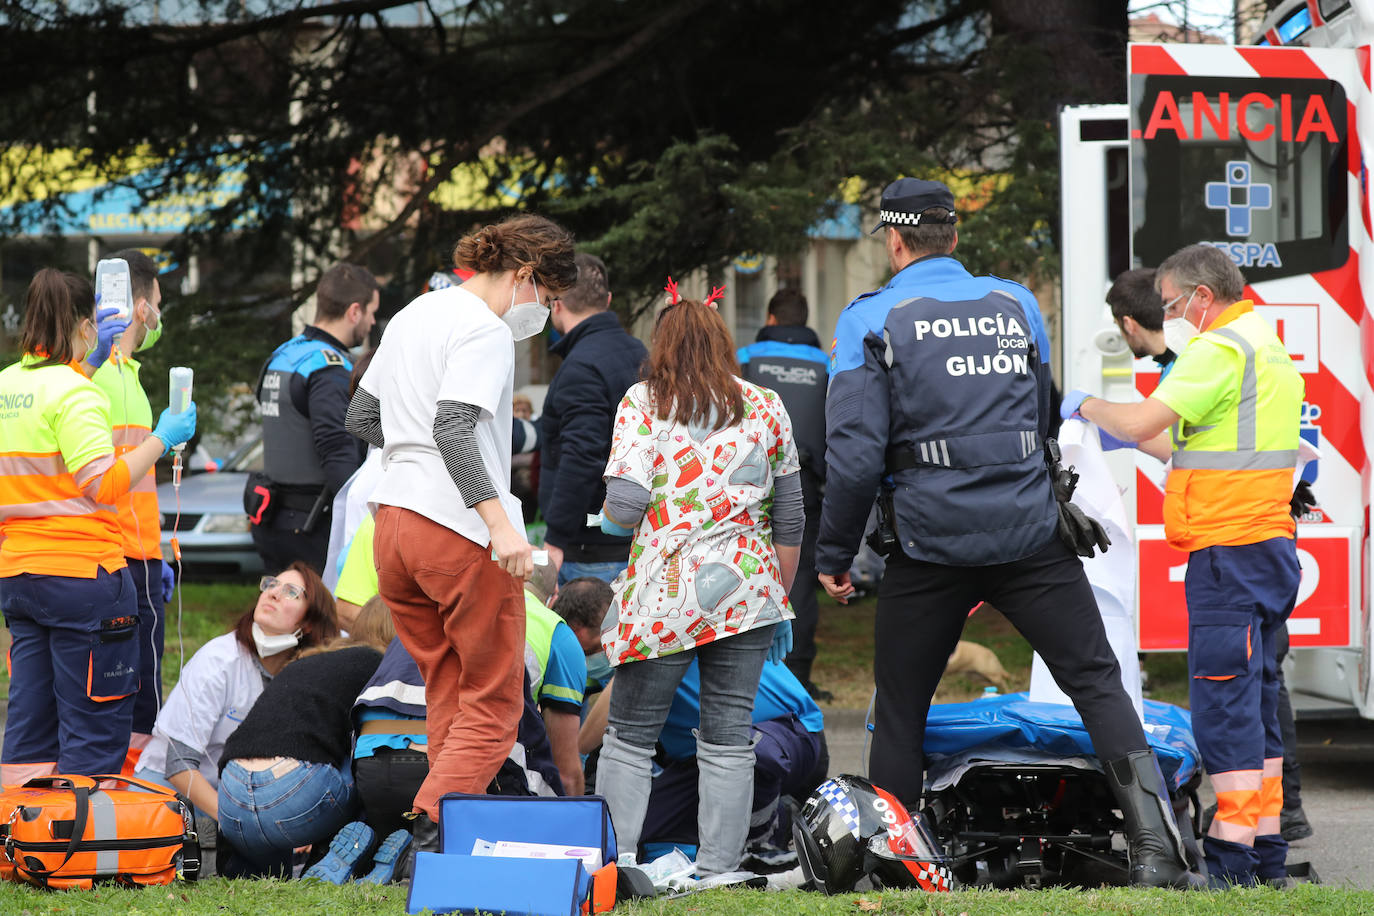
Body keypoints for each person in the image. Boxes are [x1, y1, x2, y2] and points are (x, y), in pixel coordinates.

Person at [815, 177, 1200, 889]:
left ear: (895, 243)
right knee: (1098, 682)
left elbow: (856, 455)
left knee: (902, 704)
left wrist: (837, 554)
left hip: (929, 544)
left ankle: (902, 868)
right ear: (953, 238)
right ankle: (1155, 850)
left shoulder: (868, 318)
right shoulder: (1016, 303)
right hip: (1029, 534)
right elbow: (1045, 411)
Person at [1064, 243, 1304, 887]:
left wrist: (1087, 407)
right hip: (1268, 548)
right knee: (1254, 699)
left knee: (1224, 705)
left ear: (1201, 296)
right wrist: (1123, 433)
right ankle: (1267, 852)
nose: (1168, 317)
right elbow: (1178, 440)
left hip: (1227, 553)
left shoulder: (1217, 349)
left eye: (1171, 305)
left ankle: (1230, 861)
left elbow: (1148, 416)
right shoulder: (1262, 341)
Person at [344, 214, 577, 858]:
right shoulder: (486, 330)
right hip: (457, 533)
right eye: (550, 297)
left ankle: (446, 842)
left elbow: (361, 415)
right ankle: (428, 828)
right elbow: (454, 428)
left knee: (447, 684)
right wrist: (504, 527)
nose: (547, 311)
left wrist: (411, 462)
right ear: (526, 276)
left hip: (392, 530)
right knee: (497, 702)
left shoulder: (418, 313)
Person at [593, 282, 802, 877]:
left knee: (631, 732)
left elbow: (626, 504)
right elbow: (790, 514)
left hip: (665, 590)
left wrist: (605, 518)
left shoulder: (642, 400)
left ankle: (617, 858)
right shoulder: (765, 404)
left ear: (661, 345)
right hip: (749, 589)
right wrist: (777, 597)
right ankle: (718, 867)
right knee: (730, 732)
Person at [0, 269, 196, 785]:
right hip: (84, 580)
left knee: (30, 722)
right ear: (88, 326)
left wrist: (83, 367)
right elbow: (104, 484)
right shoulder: (75, 393)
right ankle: (82, 850)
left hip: (20, 576)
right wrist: (162, 438)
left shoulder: (7, 386)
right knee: (95, 723)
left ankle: (23, 837)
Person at [135, 564, 339, 827]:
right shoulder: (219, 660)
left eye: (291, 592)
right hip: (165, 800)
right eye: (271, 584)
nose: (273, 593)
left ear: (310, 624)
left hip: (237, 801)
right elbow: (178, 767)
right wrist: (243, 826)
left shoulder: (307, 678)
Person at [581, 659, 826, 862]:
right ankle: (732, 830)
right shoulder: (609, 657)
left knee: (745, 751)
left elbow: (603, 718)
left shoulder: (654, 637)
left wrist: (571, 759)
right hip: (699, 757)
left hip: (790, 734)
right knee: (634, 830)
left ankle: (770, 827)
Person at [216, 600, 391, 876]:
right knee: (374, 757)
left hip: (229, 799)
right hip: (293, 798)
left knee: (269, 875)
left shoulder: (308, 660)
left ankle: (250, 868)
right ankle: (336, 856)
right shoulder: (378, 666)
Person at [89, 249, 173, 765]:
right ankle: (125, 791)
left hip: (138, 553)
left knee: (138, 684)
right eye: (158, 304)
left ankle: (129, 792)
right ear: (141, 307)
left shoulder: (126, 372)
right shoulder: (102, 374)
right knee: (132, 689)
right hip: (117, 557)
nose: (161, 316)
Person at [249, 263, 379, 574]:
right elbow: (338, 453)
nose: (373, 321)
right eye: (372, 312)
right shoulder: (329, 369)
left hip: (272, 520)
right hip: (312, 528)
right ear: (354, 312)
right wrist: (359, 525)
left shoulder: (283, 355)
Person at [737, 287, 831, 701]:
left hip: (744, 485)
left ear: (771, 319)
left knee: (741, 569)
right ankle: (799, 676)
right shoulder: (828, 365)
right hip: (807, 484)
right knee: (801, 579)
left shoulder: (744, 359)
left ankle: (748, 673)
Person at [538, 253, 647, 584]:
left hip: (590, 553)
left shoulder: (581, 367)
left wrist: (555, 540)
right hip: (632, 541)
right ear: (608, 300)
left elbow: (582, 456)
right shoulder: (637, 351)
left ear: (556, 305)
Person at [522, 561, 588, 795]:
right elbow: (567, 774)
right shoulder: (555, 631)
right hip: (477, 775)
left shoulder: (459, 603)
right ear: (554, 596)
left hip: (418, 753)